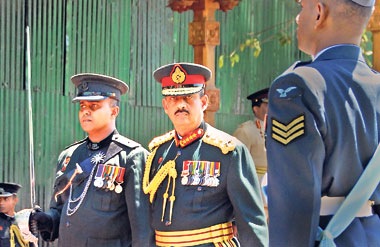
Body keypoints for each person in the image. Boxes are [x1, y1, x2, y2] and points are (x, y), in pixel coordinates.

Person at [265, 0, 380, 246]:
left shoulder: (298, 86)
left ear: (319, 13)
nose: (298, 18)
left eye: (302, 8)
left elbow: (293, 205)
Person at [143, 62, 268, 246]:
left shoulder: (228, 152)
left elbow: (251, 223)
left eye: (188, 97)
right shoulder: (157, 152)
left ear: (203, 102)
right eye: (174, 99)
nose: (181, 105)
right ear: (165, 106)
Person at [30, 73, 154, 246]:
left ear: (114, 111)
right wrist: (47, 220)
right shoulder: (69, 156)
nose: (86, 111)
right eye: (82, 106)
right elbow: (61, 210)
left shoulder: (131, 157)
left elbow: (142, 229)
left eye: (94, 105)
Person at [233, 88, 269, 182]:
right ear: (256, 109)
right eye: (267, 105)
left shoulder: (277, 129)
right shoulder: (245, 131)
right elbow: (238, 165)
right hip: (256, 182)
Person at [0, 182, 30, 247]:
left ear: (15, 200)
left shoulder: (23, 222)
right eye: (0, 199)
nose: (1, 203)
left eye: (6, 199)